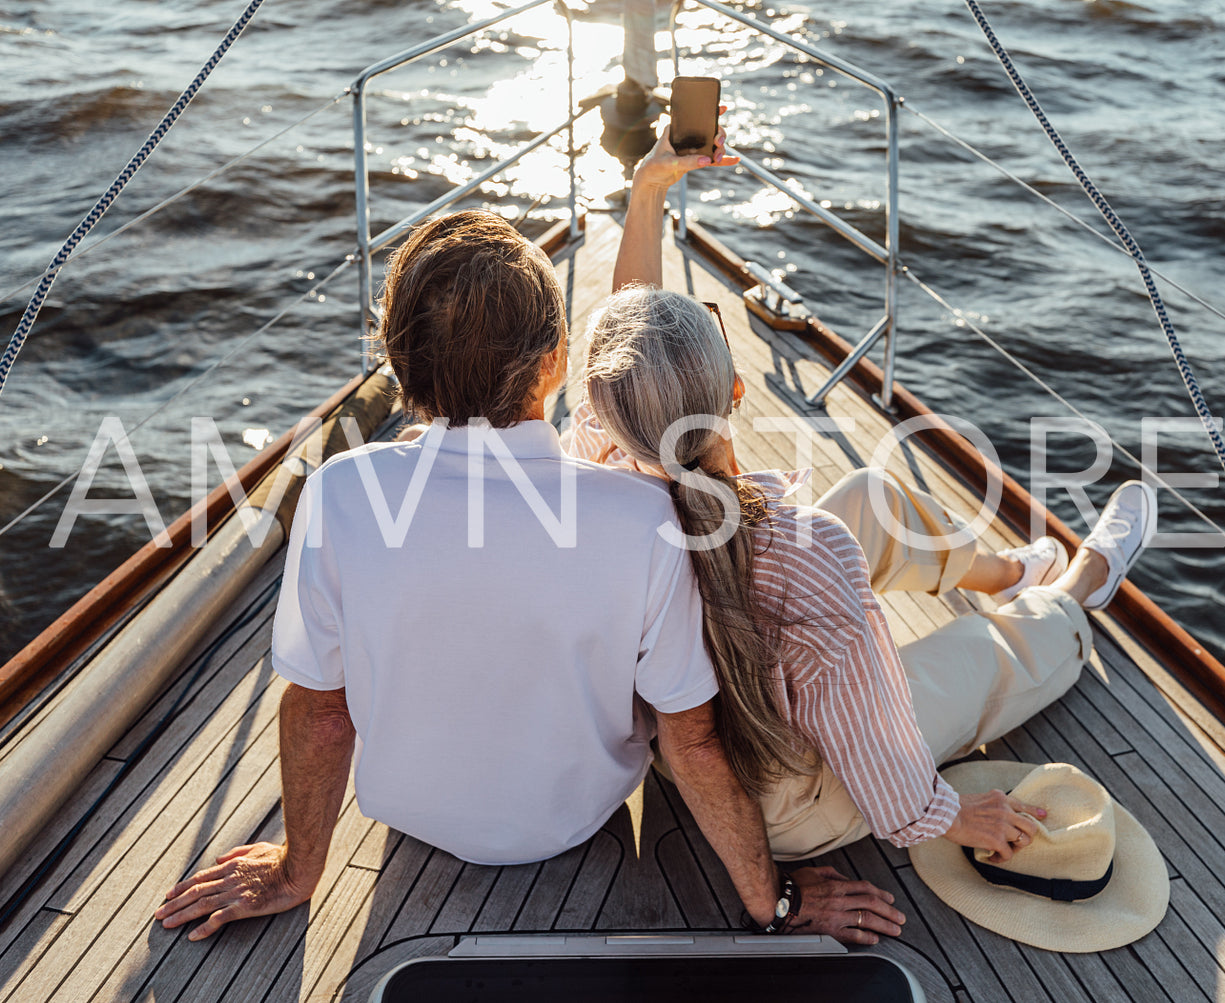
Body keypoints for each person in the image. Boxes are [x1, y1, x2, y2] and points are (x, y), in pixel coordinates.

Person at [154, 208, 905, 944]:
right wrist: (770, 901)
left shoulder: (341, 494)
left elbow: (319, 712)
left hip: (412, 816)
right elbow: (693, 743)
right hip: (578, 817)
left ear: (400, 361)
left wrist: (295, 870)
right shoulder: (642, 519)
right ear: (553, 363)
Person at [561, 126, 1157, 889]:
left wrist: (647, 191)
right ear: (736, 390)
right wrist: (946, 812)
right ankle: (1074, 594)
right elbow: (873, 738)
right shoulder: (807, 554)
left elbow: (626, 333)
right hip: (786, 799)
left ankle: (1004, 571)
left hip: (687, 753)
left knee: (872, 499)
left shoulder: (600, 453)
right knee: (983, 658)